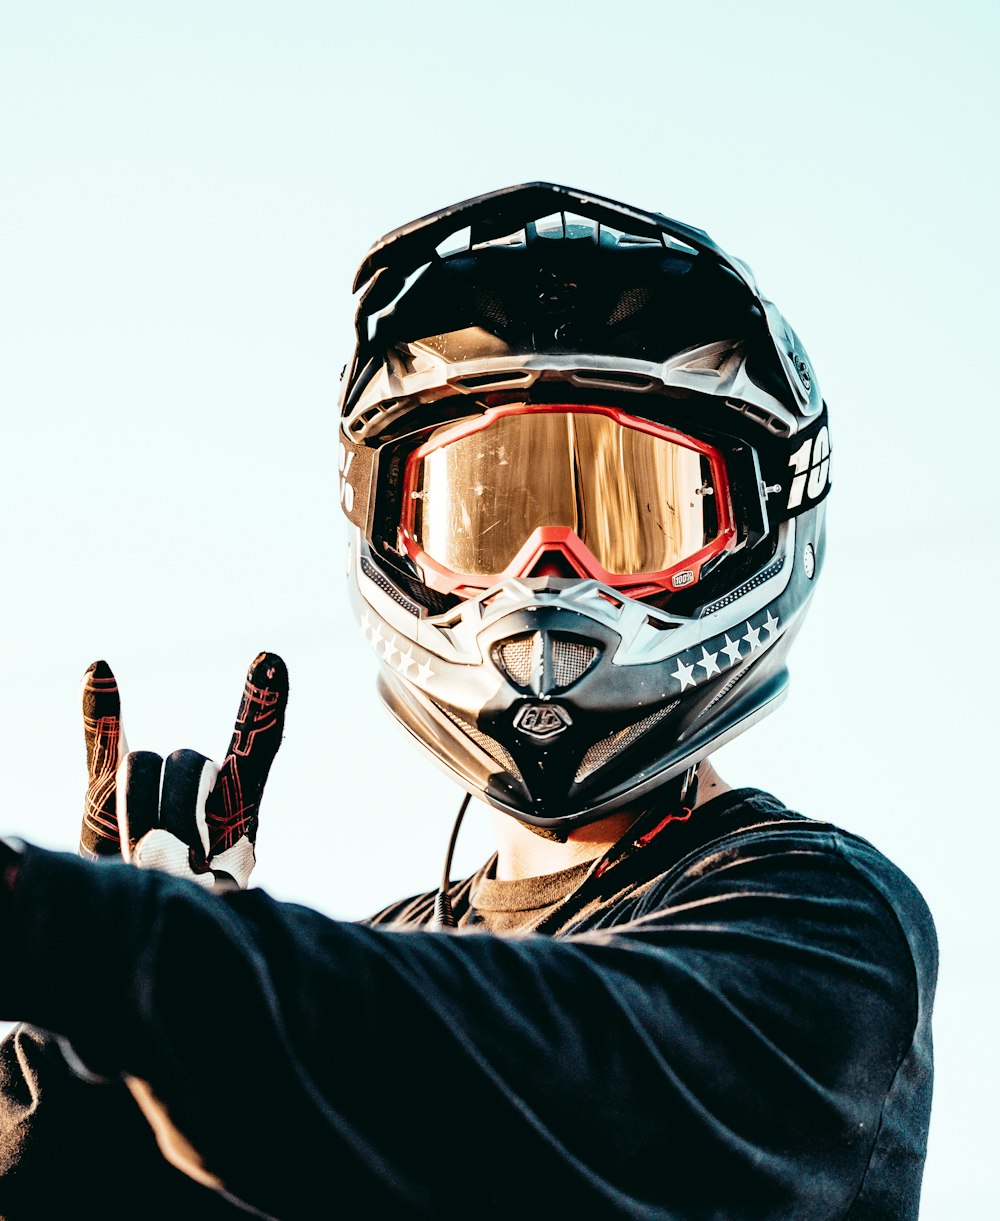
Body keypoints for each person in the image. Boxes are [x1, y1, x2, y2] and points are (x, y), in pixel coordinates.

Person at [0, 183, 935, 1219]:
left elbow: (561, 1082)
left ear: (760, 524)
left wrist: (114, 947)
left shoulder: (820, 921)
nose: (545, 577)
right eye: (484, 518)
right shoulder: (375, 973)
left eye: (628, 515)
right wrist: (77, 1058)